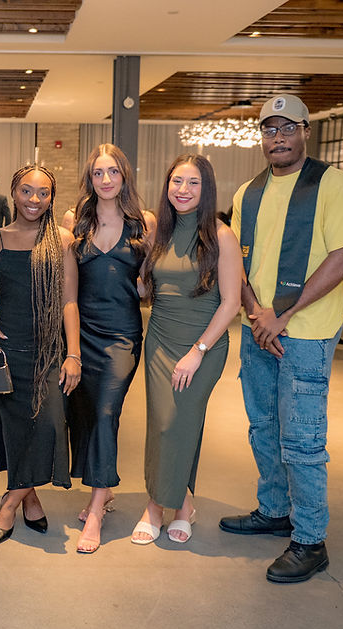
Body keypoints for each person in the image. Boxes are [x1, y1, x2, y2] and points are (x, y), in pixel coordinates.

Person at [219, 95, 343, 583]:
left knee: (301, 439)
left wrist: (282, 317)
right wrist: (257, 312)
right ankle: (274, 510)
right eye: (268, 129)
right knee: (262, 427)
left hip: (305, 334)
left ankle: (310, 538)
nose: (277, 137)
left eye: (287, 128)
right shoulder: (249, 192)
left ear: (306, 131)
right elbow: (236, 262)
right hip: (259, 329)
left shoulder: (332, 183)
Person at [131, 154, 241, 545]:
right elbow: (148, 289)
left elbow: (231, 302)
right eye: (177, 181)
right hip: (160, 338)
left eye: (193, 183)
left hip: (203, 344)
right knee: (163, 423)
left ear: (206, 188)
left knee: (178, 421)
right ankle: (176, 506)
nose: (183, 190)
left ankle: (160, 506)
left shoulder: (221, 235)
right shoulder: (159, 231)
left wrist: (198, 350)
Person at [0, 165, 82, 546]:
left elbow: (70, 301)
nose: (34, 200)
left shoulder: (63, 240)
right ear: (13, 192)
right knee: (17, 427)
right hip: (8, 345)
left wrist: (74, 355)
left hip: (50, 348)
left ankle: (10, 501)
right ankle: (31, 496)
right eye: (26, 191)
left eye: (43, 193)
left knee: (51, 424)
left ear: (52, 197)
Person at [66, 143, 153, 553]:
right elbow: (64, 285)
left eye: (112, 172)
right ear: (90, 178)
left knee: (106, 412)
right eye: (98, 173)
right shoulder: (74, 221)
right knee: (84, 414)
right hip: (80, 334)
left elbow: (153, 287)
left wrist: (142, 284)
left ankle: (97, 509)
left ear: (124, 176)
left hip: (121, 336)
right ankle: (103, 490)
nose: (105, 180)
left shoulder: (144, 223)